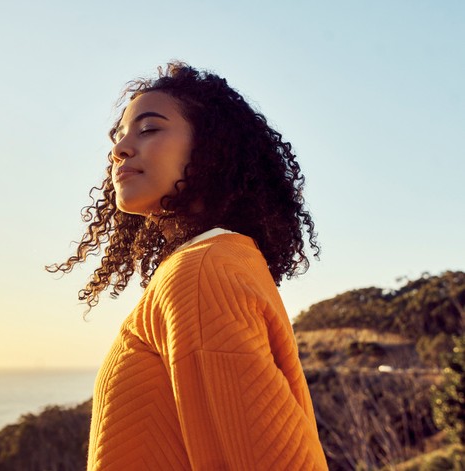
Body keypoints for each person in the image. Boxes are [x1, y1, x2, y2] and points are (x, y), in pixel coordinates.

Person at [47, 62, 328, 470]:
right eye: (118, 136)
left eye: (149, 129)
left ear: (212, 150)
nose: (120, 149)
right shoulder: (221, 262)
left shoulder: (201, 273)